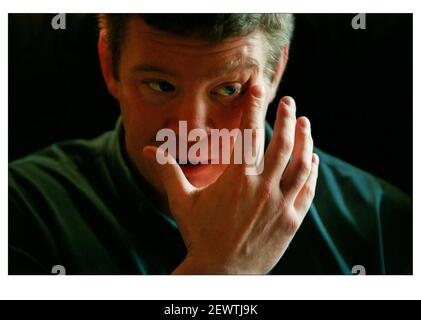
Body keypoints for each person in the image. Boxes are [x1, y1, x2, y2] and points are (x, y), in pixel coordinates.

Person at [9, 14, 411, 275]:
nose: (192, 130)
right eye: (160, 85)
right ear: (108, 66)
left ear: (276, 73)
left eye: (229, 89)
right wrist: (219, 271)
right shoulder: (19, 211)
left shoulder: (383, 224)